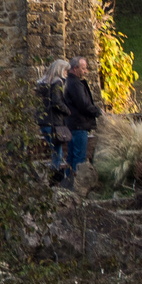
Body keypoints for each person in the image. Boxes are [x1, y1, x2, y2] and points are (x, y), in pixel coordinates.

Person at [61, 56, 102, 189]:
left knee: (72, 157)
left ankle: (67, 185)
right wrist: (97, 111)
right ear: (75, 68)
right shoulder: (75, 84)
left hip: (72, 124)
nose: (86, 71)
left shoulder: (70, 82)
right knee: (79, 158)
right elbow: (84, 104)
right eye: (83, 68)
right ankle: (76, 188)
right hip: (79, 125)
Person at [34, 59, 72, 181]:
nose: (67, 74)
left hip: (43, 122)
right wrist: (67, 110)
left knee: (53, 151)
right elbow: (57, 101)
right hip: (54, 122)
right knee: (57, 153)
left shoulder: (44, 83)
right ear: (60, 70)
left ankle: (53, 178)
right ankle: (56, 180)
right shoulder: (57, 82)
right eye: (66, 71)